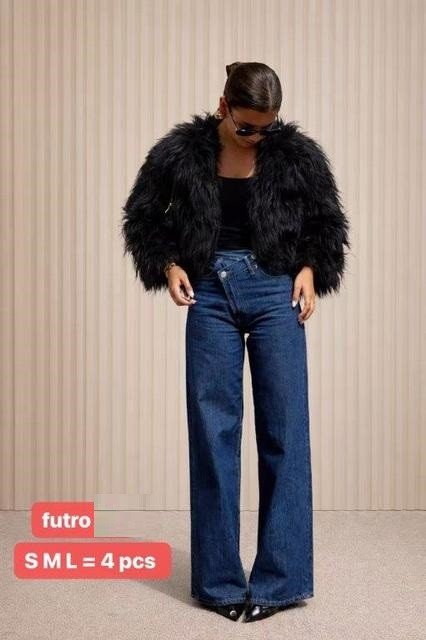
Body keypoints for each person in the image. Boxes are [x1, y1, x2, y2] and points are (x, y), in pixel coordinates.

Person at [121, 61, 350, 623]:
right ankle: (220, 584)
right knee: (213, 433)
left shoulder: (298, 156)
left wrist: (310, 269)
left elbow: (327, 222)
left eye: (266, 128)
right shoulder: (178, 153)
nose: (255, 137)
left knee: (285, 432)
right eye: (246, 127)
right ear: (222, 106)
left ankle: (281, 582)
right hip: (210, 293)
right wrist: (168, 263)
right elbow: (142, 217)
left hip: (276, 292)